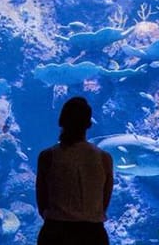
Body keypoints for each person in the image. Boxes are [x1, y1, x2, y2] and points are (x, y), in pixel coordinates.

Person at [36, 97, 114, 245]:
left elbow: (42, 202)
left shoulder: (47, 157)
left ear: (61, 121)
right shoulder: (104, 158)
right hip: (93, 233)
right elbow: (105, 201)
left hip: (55, 232)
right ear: (89, 124)